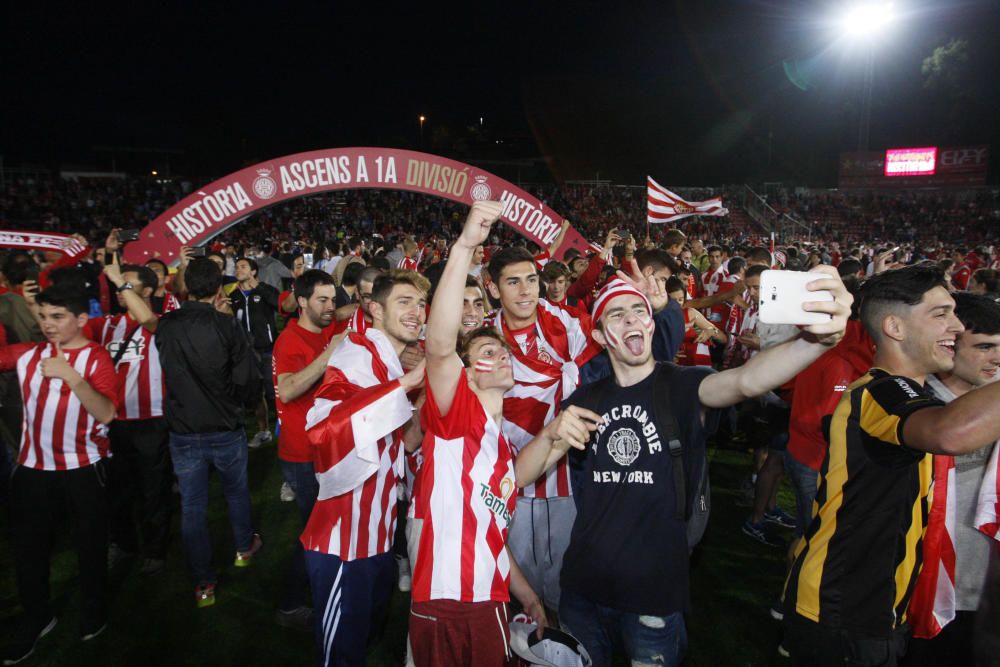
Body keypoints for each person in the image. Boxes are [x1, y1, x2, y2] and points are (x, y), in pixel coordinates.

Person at [515, 264, 852, 666]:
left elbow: (746, 382)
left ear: (652, 325)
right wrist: (551, 433)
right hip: (583, 588)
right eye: (616, 315)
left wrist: (815, 342)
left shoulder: (683, 385)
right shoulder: (584, 400)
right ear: (602, 335)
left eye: (638, 311)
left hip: (653, 593)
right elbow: (520, 475)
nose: (631, 320)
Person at [783, 264, 1000, 666]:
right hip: (844, 612)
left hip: (871, 609)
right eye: (940, 314)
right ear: (895, 328)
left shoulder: (906, 392)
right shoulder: (881, 391)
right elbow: (949, 434)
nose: (956, 327)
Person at [408, 200, 546, 666]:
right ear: (465, 374)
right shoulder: (456, 417)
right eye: (487, 351)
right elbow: (441, 345)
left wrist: (523, 591)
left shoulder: (497, 440)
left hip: (490, 598)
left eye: (502, 350)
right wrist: (466, 245)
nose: (501, 355)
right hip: (449, 601)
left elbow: (492, 530)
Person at [301, 269, 428, 667]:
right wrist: (407, 385)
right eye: (404, 302)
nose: (417, 312)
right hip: (343, 544)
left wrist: (422, 394)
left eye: (421, 304)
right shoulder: (356, 354)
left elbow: (401, 443)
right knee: (342, 655)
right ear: (374, 308)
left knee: (365, 635)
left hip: (378, 539)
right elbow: (321, 431)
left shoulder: (391, 361)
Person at [0, 286, 118, 663]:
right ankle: (37, 617)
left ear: (81, 320)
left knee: (90, 547)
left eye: (57, 317)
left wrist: (72, 378)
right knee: (28, 551)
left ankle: (93, 608)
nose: (47, 325)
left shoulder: (96, 358)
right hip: (34, 470)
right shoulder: (28, 355)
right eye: (44, 316)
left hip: (84, 469)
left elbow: (107, 414)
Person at [484, 244, 602, 616]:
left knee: (564, 580)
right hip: (504, 478)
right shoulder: (481, 339)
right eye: (513, 282)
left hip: (561, 473)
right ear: (493, 287)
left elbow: (598, 374)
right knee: (512, 579)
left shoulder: (567, 324)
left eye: (531, 280)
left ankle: (561, 641)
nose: (526, 291)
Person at [155, 257, 263, 609]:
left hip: (185, 431)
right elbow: (247, 378)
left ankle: (204, 585)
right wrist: (244, 404)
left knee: (192, 507)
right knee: (235, 493)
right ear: (220, 288)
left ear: (186, 286)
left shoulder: (166, 325)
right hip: (224, 427)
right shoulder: (226, 325)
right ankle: (243, 549)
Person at [905, 292, 1000, 666]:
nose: (997, 358)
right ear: (948, 345)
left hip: (987, 587)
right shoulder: (914, 408)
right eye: (984, 347)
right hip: (933, 591)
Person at [271, 269, 342, 630]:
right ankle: (292, 602)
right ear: (301, 302)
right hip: (303, 455)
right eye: (322, 300)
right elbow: (286, 390)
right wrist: (327, 357)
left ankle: (315, 591)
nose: (331, 307)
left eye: (333, 299)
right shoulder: (290, 341)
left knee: (323, 529)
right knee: (314, 533)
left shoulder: (326, 329)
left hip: (324, 451)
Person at [92, 258, 172, 575]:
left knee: (153, 490)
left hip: (151, 419)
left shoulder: (162, 320)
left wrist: (118, 281)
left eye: (128, 282)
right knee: (118, 490)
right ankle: (124, 544)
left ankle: (155, 549)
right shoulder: (108, 324)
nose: (119, 287)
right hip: (113, 420)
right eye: (118, 283)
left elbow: (149, 321)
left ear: (148, 289)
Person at [230, 256, 280, 448]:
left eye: (243, 266)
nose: (238, 269)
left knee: (273, 392)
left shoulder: (264, 291)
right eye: (236, 267)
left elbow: (279, 304)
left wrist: (259, 288)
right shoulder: (233, 297)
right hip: (244, 354)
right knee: (254, 395)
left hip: (267, 350)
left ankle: (284, 426)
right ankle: (263, 430)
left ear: (253, 272)